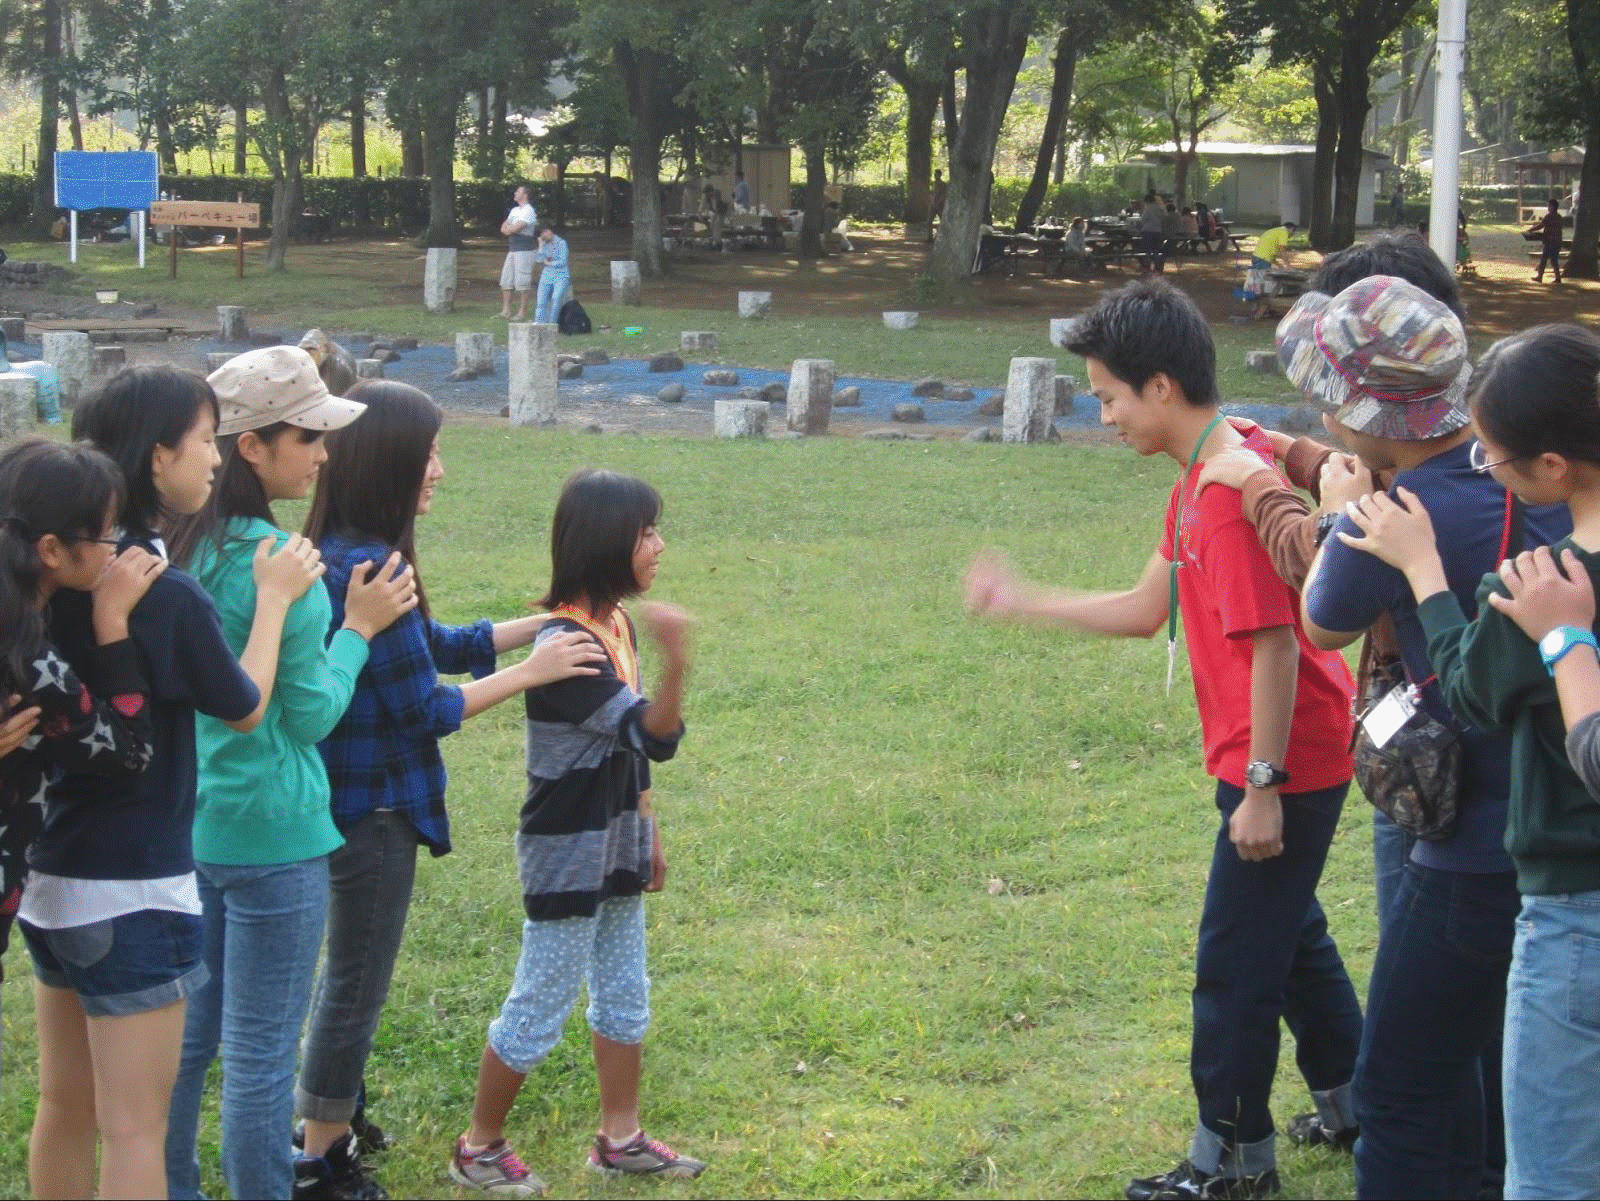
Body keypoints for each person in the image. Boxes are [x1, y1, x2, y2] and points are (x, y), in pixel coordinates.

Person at [965, 278, 1362, 1201]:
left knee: (1234, 964)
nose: (1102, 415)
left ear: (1160, 388)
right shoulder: (1213, 465)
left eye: (1107, 395)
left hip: (1283, 760)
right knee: (1288, 935)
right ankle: (1354, 1102)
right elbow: (1150, 609)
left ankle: (1229, 1163)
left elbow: (1273, 645)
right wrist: (1023, 600)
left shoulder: (1224, 491)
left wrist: (1262, 784)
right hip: (1278, 755)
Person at [1283, 278, 1565, 1198]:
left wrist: (1338, 507)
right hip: (1559, 827)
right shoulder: (1533, 474)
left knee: (1398, 1092)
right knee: (1490, 1057)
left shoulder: (1394, 514)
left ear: (1365, 414)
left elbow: (1322, 624)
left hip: (1464, 840)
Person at [292, 381, 606, 1201]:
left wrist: (536, 623)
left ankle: (332, 1112)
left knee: (344, 973)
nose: (439, 469)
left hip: (343, 804)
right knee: (355, 983)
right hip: (374, 810)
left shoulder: (345, 550)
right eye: (429, 452)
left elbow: (433, 643)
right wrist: (531, 673)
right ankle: (320, 1158)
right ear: (390, 461)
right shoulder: (371, 564)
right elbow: (423, 706)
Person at [24, 367, 323, 1199]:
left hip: (48, 883)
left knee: (64, 1105)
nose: (216, 461)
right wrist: (273, 599)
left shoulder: (45, 579)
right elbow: (247, 709)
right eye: (203, 442)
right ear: (158, 458)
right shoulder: (166, 594)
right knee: (136, 1131)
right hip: (136, 893)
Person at [1337, 322, 1600, 1200]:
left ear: (1552, 466)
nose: (1476, 464)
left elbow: (1470, 687)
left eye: (1488, 453)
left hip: (1562, 894)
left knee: (1533, 1161)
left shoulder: (1546, 586)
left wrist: (1421, 570)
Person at [161, 347, 419, 1201]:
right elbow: (309, 714)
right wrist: (358, 627)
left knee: (190, 1042)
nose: (321, 454)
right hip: (277, 835)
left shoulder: (179, 549)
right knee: (262, 1053)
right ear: (250, 447)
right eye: (306, 436)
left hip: (196, 825)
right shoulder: (290, 567)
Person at [447, 469, 704, 1196]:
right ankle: (479, 1145)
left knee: (626, 989)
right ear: (606, 543)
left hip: (615, 836)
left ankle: (620, 1136)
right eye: (646, 532)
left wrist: (647, 826)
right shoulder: (571, 646)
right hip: (568, 851)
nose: (659, 545)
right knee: (540, 1000)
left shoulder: (612, 622)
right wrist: (678, 663)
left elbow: (631, 755)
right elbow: (652, 733)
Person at [0, 439, 164, 1078]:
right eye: (104, 537)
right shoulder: (31, 663)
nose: (116, 551)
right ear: (48, 551)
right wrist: (113, 621)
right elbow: (129, 752)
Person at [498, 184, 538, 321]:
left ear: (525, 195)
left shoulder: (529, 211)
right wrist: (510, 229)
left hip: (525, 250)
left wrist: (510, 229)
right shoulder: (514, 210)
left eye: (518, 191)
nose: (515, 193)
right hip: (513, 249)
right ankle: (506, 311)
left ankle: (522, 313)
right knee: (506, 280)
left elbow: (516, 228)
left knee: (523, 281)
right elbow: (504, 228)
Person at [1243, 220, 1297, 318]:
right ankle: (1257, 310)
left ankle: (1261, 308)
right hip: (1262, 260)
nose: (1291, 236)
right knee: (1262, 284)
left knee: (1258, 282)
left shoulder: (1274, 232)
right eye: (1292, 233)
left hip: (1258, 257)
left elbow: (1273, 256)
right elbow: (1282, 250)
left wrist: (1281, 266)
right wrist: (1288, 266)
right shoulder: (1284, 232)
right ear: (1291, 229)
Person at [532, 225, 570, 328]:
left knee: (555, 298)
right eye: (541, 234)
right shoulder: (544, 245)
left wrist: (549, 263)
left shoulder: (561, 243)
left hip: (561, 275)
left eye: (545, 232)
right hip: (546, 275)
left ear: (550, 231)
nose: (544, 235)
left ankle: (552, 324)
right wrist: (540, 245)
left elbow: (562, 261)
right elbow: (539, 260)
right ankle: (538, 322)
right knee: (541, 300)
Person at [1528, 197, 1564, 284]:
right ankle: (1557, 278)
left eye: (1549, 206)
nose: (1548, 207)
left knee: (1544, 259)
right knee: (1554, 260)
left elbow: (1541, 225)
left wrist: (1532, 229)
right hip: (1557, 241)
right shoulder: (1559, 217)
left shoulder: (1549, 216)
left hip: (1550, 242)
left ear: (1552, 206)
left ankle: (1540, 277)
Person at [1139, 192, 1166, 273]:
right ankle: (1157, 267)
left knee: (1147, 250)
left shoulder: (1148, 208)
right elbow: (1163, 219)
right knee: (1156, 250)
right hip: (1158, 231)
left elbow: (1143, 220)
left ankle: (1147, 266)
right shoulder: (1160, 208)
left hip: (1148, 231)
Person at [928, 169, 946, 242]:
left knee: (942, 221)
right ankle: (930, 237)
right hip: (933, 205)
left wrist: (938, 202)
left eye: (937, 174)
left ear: (940, 175)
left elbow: (944, 195)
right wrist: (932, 201)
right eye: (935, 174)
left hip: (940, 205)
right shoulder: (933, 184)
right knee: (929, 221)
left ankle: (942, 237)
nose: (935, 176)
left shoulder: (943, 184)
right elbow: (931, 193)